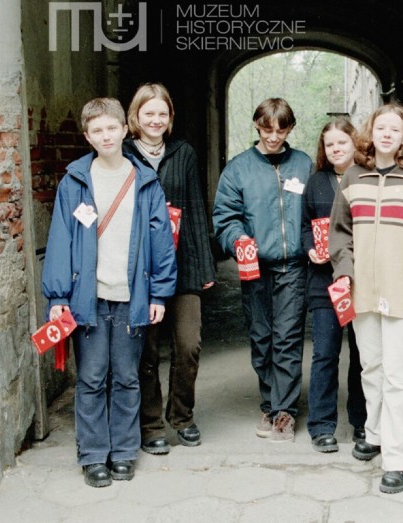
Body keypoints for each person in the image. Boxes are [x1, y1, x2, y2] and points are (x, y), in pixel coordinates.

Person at [41, 97, 178, 487]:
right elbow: (61, 240)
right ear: (88, 135)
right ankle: (93, 454)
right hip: (90, 295)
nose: (105, 135)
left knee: (127, 377)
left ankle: (123, 451)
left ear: (124, 130)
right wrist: (58, 297)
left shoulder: (145, 181)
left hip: (131, 293)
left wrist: (158, 294)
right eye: (96, 130)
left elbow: (161, 240)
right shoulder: (75, 181)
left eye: (111, 128)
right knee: (91, 377)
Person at [329, 103, 403, 494]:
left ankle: (401, 457)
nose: (388, 135)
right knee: (370, 366)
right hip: (363, 290)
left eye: (396, 129)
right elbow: (339, 231)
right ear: (370, 134)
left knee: (399, 374)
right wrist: (345, 269)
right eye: (381, 128)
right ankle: (374, 432)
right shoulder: (353, 177)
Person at [123, 83, 216, 455]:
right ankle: (150, 424)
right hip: (139, 269)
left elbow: (195, 208)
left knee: (188, 344)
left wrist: (203, 265)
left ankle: (182, 415)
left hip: (181, 265)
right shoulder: (123, 155)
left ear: (170, 118)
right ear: (135, 117)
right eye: (149, 113)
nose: (156, 120)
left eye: (163, 113)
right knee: (145, 349)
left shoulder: (184, 153)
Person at [213, 98, 313, 443]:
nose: (273, 136)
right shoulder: (238, 169)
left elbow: (317, 211)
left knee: (287, 338)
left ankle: (284, 412)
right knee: (261, 338)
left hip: (293, 267)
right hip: (254, 268)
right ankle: (269, 403)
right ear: (257, 124)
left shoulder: (303, 164)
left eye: (281, 129)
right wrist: (238, 237)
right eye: (267, 128)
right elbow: (224, 217)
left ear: (290, 128)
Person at [301, 119, 367, 453]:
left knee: (361, 354)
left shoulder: (369, 179)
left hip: (361, 281)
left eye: (342, 142)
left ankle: (362, 423)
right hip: (324, 282)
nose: (336, 149)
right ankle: (322, 425)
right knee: (325, 354)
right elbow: (303, 227)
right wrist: (309, 248)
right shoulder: (316, 183)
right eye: (330, 145)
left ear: (355, 143)